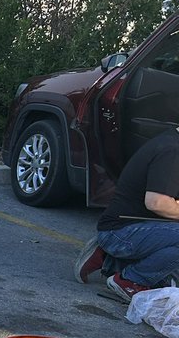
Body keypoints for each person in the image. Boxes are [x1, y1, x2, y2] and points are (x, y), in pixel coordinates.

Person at [74, 128, 179, 302]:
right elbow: (157, 202)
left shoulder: (169, 141)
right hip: (120, 232)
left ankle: (108, 258)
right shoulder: (172, 151)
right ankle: (130, 280)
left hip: (134, 227)